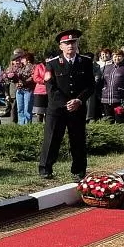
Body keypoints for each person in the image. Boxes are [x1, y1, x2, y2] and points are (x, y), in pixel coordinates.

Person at [39, 29, 95, 181]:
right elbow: (50, 87)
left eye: (73, 42)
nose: (71, 45)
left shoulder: (86, 62)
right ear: (60, 46)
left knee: (78, 139)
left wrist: (79, 100)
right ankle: (45, 168)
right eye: (67, 43)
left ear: (77, 44)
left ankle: (78, 169)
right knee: (51, 139)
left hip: (78, 107)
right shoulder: (52, 64)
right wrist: (66, 103)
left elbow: (91, 85)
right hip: (57, 109)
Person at [99, 49, 124, 125]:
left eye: (119, 56)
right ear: (112, 57)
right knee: (108, 122)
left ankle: (121, 136)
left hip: (120, 99)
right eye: (115, 56)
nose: (117, 58)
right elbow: (100, 82)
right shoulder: (106, 68)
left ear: (123, 57)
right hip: (106, 99)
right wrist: (101, 92)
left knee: (120, 122)